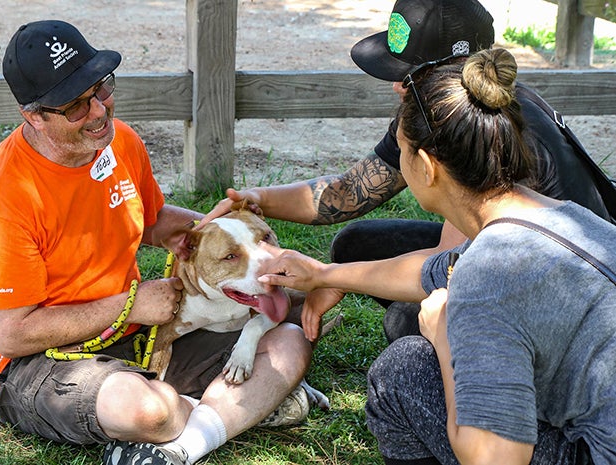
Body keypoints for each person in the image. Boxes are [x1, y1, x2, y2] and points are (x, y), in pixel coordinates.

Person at [0, 20, 313, 465]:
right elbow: (11, 336)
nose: (99, 112)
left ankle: (185, 441)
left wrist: (220, 234)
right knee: (146, 408)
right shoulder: (2, 201)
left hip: (133, 334)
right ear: (34, 117)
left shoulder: (118, 141)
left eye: (101, 89)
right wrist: (131, 305)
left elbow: (151, 219)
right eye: (75, 108)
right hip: (36, 362)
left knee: (288, 344)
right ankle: (224, 410)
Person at [260, 48, 616, 464]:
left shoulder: (488, 277)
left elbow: (496, 460)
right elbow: (428, 272)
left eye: (401, 150)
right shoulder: (562, 219)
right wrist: (325, 274)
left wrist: (444, 337)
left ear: (426, 167)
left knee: (403, 370)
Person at [202, 0, 616, 342]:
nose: (397, 86)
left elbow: (444, 267)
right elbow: (349, 191)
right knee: (354, 245)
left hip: (571, 292)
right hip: (517, 256)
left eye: (408, 73)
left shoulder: (477, 133)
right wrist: (259, 199)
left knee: (410, 322)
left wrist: (333, 278)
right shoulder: (450, 109)